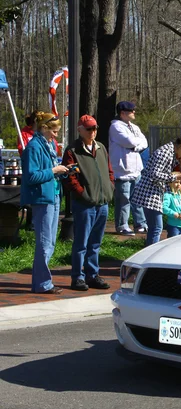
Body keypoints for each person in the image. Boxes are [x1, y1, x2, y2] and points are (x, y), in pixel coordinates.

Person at [20, 112, 72, 294]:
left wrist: (62, 171)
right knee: (44, 242)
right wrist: (53, 170)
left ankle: (41, 282)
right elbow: (31, 176)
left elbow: (49, 171)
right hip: (42, 198)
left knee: (50, 242)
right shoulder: (34, 147)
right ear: (44, 128)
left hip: (53, 195)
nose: (56, 135)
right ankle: (42, 283)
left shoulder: (48, 145)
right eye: (54, 132)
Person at [62, 115, 115, 291]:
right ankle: (77, 277)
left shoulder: (101, 148)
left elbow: (109, 170)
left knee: (95, 242)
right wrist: (83, 194)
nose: (93, 132)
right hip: (84, 204)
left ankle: (92, 275)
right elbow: (70, 177)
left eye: (95, 128)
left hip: (102, 202)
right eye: (89, 129)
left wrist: (110, 187)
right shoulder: (72, 151)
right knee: (81, 243)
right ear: (80, 130)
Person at [131, 129, 181, 246]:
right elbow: (154, 174)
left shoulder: (171, 152)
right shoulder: (165, 152)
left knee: (155, 227)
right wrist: (176, 177)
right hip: (149, 193)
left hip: (155, 192)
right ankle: (149, 259)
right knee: (157, 228)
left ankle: (150, 257)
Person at [108, 100, 148, 235]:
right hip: (122, 171)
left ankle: (140, 224)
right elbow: (129, 141)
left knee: (138, 198)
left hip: (136, 169)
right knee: (123, 199)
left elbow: (144, 142)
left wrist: (134, 146)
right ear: (123, 113)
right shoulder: (116, 127)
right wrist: (135, 144)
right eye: (131, 111)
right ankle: (122, 225)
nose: (134, 112)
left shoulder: (134, 127)